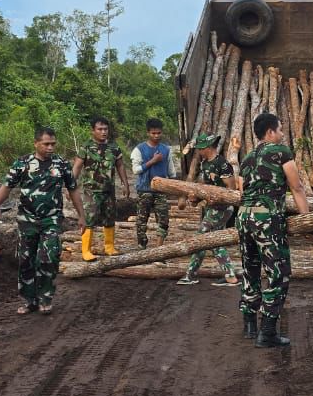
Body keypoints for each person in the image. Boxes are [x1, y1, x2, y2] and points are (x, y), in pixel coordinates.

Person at [0, 127, 86, 315]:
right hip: (27, 219)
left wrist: (82, 215)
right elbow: (7, 186)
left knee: (48, 257)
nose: (50, 148)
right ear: (36, 143)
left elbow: (73, 189)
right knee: (26, 259)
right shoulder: (22, 164)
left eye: (53, 144)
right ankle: (29, 300)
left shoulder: (61, 164)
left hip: (51, 219)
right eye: (46, 144)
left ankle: (45, 297)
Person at [237, 113, 309, 346]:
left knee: (251, 270)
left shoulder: (247, 157)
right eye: (279, 129)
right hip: (267, 220)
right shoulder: (281, 152)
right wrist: (306, 219)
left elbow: (242, 192)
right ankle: (267, 332)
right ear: (270, 132)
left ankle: (249, 325)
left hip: (244, 218)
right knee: (278, 274)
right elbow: (296, 186)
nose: (282, 134)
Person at [181, 133, 241, 287]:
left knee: (202, 238)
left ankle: (192, 274)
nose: (199, 152)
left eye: (200, 149)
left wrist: (216, 199)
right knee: (211, 241)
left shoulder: (222, 164)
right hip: (211, 208)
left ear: (206, 147)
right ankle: (227, 276)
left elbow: (231, 190)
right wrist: (198, 198)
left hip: (221, 208)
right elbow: (206, 187)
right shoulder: (205, 164)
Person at [72, 117, 130, 261]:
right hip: (90, 191)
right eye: (100, 129)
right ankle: (86, 250)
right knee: (89, 218)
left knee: (110, 217)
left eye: (105, 129)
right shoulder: (86, 147)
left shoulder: (114, 147)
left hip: (109, 190)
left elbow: (120, 166)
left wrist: (125, 183)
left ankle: (109, 247)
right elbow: (77, 166)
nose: (103, 132)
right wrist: (70, 186)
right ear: (93, 131)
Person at [130, 118, 173, 250]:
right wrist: (153, 161)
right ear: (148, 133)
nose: (156, 136)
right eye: (153, 133)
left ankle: (159, 248)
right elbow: (136, 170)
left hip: (161, 191)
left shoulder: (166, 149)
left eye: (159, 133)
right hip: (145, 190)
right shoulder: (139, 149)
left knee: (163, 219)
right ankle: (142, 245)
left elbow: (171, 170)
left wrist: (174, 188)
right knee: (142, 220)